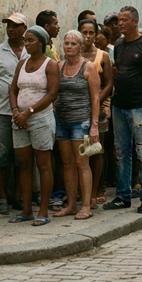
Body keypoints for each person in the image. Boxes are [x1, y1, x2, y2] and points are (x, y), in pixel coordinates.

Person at [104, 6, 142, 215]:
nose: (120, 24)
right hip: (120, 106)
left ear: (135, 21)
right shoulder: (119, 45)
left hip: (141, 106)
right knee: (122, 152)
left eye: (124, 20)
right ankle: (123, 196)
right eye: (119, 20)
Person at [8, 26, 60, 226]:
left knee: (43, 164)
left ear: (41, 42)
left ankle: (43, 211)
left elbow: (52, 94)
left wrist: (29, 112)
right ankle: (27, 210)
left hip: (41, 120)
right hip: (19, 121)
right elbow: (13, 90)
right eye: (25, 40)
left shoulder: (50, 65)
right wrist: (15, 112)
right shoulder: (22, 64)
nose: (26, 44)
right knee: (24, 165)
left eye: (30, 40)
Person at [0, 12, 28, 215]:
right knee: (0, 155)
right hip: (1, 111)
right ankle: (1, 197)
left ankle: (18, 195)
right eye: (8, 25)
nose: (10, 29)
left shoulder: (31, 51)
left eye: (15, 25)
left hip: (25, 113)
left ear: (24, 29)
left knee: (21, 156)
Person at [51, 30, 100, 219]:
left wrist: (94, 125)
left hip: (82, 121)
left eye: (73, 44)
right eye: (66, 43)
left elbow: (95, 97)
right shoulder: (58, 66)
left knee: (82, 163)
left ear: (80, 47)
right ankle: (71, 204)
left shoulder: (88, 67)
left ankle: (86, 205)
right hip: (62, 120)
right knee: (67, 164)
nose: (69, 47)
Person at [80, 18, 114, 209]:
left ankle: (95, 190)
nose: (87, 36)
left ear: (96, 35)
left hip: (97, 110)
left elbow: (109, 82)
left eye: (91, 33)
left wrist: (97, 100)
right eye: (84, 32)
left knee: (96, 150)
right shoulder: (73, 53)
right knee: (80, 151)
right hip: (77, 109)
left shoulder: (103, 56)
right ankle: (81, 190)